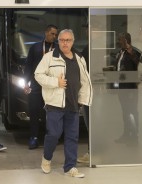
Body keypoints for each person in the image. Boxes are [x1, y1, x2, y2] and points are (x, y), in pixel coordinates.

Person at [35, 29, 93, 178]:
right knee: (54, 134)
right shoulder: (49, 57)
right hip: (55, 104)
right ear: (58, 41)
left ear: (72, 42)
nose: (65, 43)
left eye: (68, 40)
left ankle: (70, 167)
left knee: (72, 137)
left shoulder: (79, 58)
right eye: (62, 40)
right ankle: (47, 158)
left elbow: (85, 81)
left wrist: (82, 99)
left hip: (73, 104)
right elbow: (38, 75)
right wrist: (56, 82)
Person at [24, 24, 58, 149]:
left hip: (52, 86)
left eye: (56, 34)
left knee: (51, 114)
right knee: (34, 112)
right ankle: (34, 137)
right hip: (36, 86)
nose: (54, 36)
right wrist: (25, 83)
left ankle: (49, 138)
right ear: (46, 33)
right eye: (52, 33)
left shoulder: (58, 48)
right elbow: (28, 66)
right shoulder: (36, 47)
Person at [114, 32, 141, 146]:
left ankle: (134, 136)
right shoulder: (121, 52)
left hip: (131, 88)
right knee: (125, 112)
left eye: (120, 40)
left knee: (132, 112)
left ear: (126, 40)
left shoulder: (134, 52)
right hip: (122, 87)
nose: (118, 42)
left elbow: (138, 68)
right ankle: (126, 134)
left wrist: (131, 53)